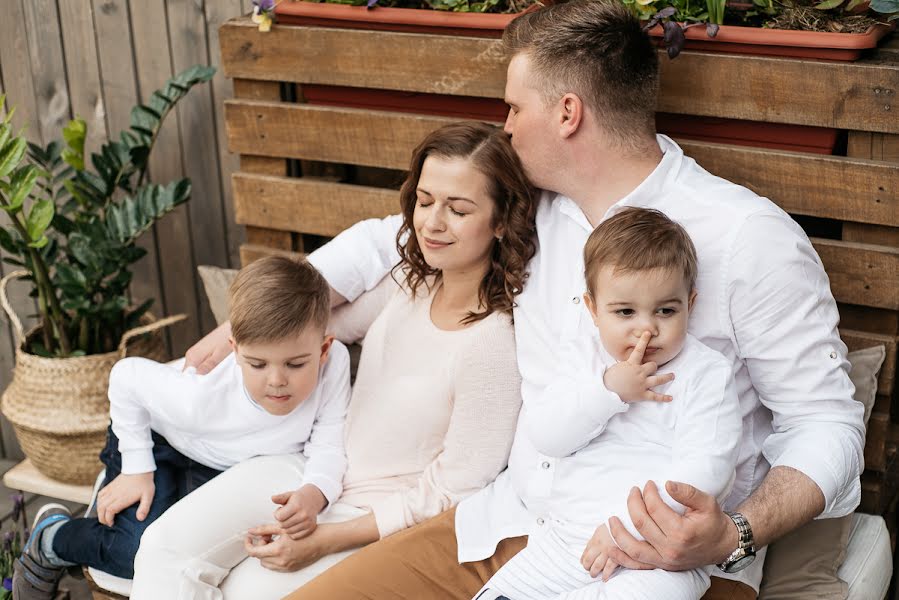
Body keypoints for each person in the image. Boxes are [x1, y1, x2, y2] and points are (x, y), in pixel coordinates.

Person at [209, 1, 860, 598]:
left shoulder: (746, 237)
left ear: (567, 113)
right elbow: (400, 237)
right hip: (505, 523)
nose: (506, 126)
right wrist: (280, 309)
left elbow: (824, 423)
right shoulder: (532, 212)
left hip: (659, 559)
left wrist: (733, 533)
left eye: (515, 108)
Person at [128, 121, 536, 599]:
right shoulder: (411, 281)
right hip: (314, 469)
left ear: (503, 219)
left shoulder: (492, 343)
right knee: (161, 550)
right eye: (425, 202)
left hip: (373, 515)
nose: (432, 223)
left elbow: (454, 492)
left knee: (246, 590)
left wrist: (327, 540)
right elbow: (315, 329)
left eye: (458, 209)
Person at [12, 255, 351, 600]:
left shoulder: (335, 364)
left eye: (295, 364)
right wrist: (137, 469)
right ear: (234, 351)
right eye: (257, 364)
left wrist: (314, 493)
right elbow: (126, 377)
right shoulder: (200, 395)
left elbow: (328, 442)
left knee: (202, 546)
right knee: (133, 554)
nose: (277, 381)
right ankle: (51, 538)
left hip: (221, 462)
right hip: (158, 439)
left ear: (323, 349)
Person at [478, 207, 742, 600]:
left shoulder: (707, 372)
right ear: (593, 310)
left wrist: (626, 531)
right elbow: (548, 435)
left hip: (656, 552)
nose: (647, 328)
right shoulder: (584, 357)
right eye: (625, 312)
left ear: (691, 303)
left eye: (666, 310)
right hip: (566, 542)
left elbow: (704, 473)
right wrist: (608, 392)